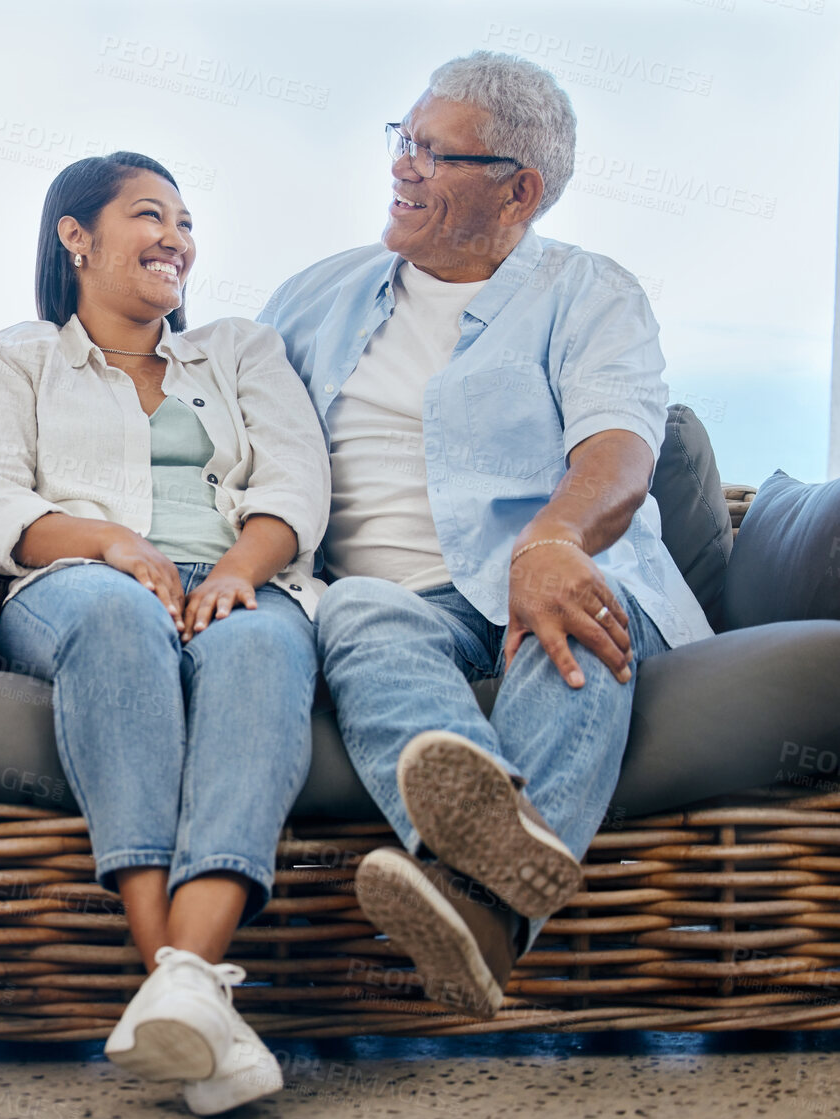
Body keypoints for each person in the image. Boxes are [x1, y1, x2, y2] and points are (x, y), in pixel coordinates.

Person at [260, 52, 713, 1019]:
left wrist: (551, 542)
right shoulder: (311, 299)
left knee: (573, 608)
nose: (402, 165)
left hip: (555, 574)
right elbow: (224, 425)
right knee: (358, 613)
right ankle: (496, 900)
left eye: (433, 151)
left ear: (520, 189)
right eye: (403, 138)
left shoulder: (589, 292)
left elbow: (619, 448)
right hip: (392, 603)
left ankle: (478, 905)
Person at [0, 153, 330, 1115]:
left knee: (258, 647)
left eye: (186, 222)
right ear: (76, 236)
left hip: (237, 573)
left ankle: (180, 987)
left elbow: (295, 485)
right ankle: (180, 969)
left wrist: (241, 572)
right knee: (120, 620)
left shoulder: (240, 349)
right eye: (149, 215)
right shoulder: (14, 357)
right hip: (72, 581)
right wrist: (113, 542)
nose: (176, 239)